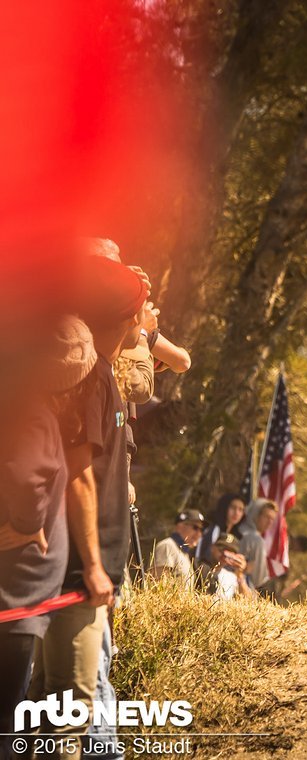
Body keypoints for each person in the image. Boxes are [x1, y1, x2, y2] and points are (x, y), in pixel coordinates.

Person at [28, 256, 148, 760]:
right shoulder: (93, 376)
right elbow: (79, 477)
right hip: (77, 573)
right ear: (130, 318)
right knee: (70, 711)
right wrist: (96, 568)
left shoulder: (98, 372)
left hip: (75, 568)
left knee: (39, 707)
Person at [0, 317, 96, 760]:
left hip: (18, 599)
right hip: (15, 599)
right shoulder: (36, 414)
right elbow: (24, 476)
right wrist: (29, 520)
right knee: (7, 721)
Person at [149, 510, 208, 587]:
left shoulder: (185, 554)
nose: (199, 534)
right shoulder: (167, 546)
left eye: (201, 530)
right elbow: (158, 587)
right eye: (195, 527)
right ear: (179, 526)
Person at [205, 533, 254, 601]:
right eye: (221, 549)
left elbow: (248, 601)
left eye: (230, 552)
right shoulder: (199, 566)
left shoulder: (231, 577)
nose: (224, 554)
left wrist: (239, 574)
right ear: (212, 547)